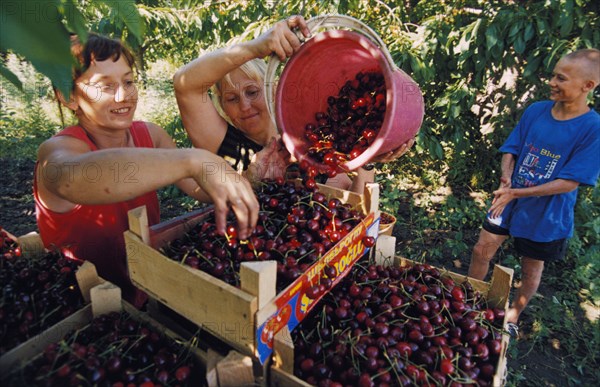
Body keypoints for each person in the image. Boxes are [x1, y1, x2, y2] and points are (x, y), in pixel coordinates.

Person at [34, 33, 259, 308]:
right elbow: (73, 179)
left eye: (128, 82)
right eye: (105, 86)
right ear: (69, 97)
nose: (123, 95)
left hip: (148, 295)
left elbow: (200, 188)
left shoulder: (150, 136)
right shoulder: (56, 152)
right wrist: (192, 159)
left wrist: (250, 178)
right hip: (83, 310)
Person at [173, 15, 414, 194]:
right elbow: (185, 84)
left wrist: (367, 156)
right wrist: (255, 48)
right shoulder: (227, 145)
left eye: (252, 92)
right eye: (232, 99)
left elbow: (358, 206)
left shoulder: (312, 143)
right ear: (223, 106)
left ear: (274, 89)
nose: (244, 106)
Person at [468, 48, 600, 337]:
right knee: (481, 249)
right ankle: (466, 303)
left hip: (547, 216)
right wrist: (506, 178)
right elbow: (512, 148)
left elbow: (570, 182)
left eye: (561, 78)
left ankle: (512, 317)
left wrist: (516, 193)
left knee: (530, 270)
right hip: (509, 201)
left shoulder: (592, 128)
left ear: (587, 86)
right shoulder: (536, 110)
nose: (551, 82)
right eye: (553, 75)